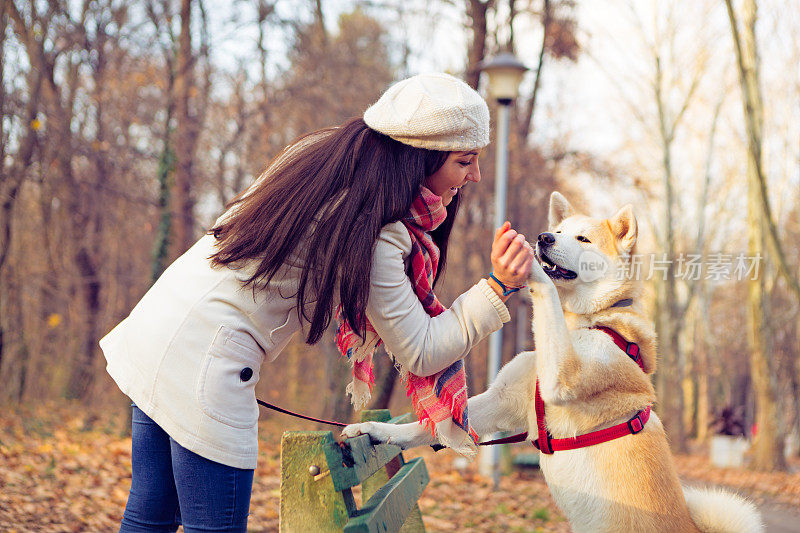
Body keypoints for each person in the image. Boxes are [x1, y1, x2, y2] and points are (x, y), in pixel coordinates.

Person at [100, 72, 534, 533]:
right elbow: (421, 351)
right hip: (207, 361)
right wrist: (497, 288)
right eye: (465, 161)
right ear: (418, 157)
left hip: (156, 329)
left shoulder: (321, 158)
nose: (476, 176)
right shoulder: (369, 227)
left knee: (149, 518)